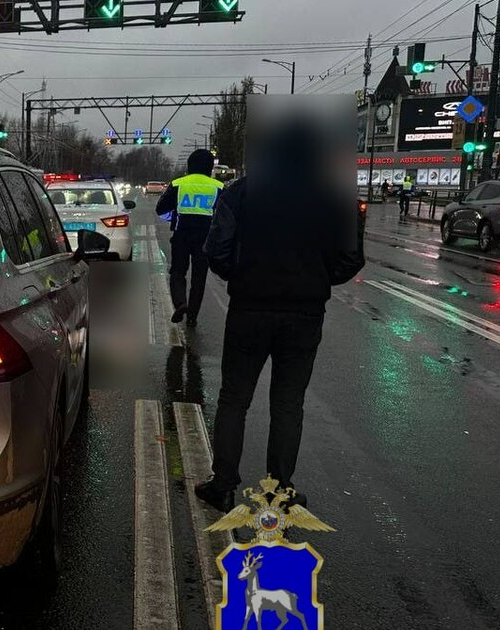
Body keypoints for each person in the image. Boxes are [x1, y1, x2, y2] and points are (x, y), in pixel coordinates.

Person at [194, 116, 365, 513]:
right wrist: (316, 279)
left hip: (249, 310)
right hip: (304, 315)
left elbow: (216, 249)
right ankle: (279, 490)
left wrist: (245, 277)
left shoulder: (241, 192)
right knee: (288, 404)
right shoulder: (334, 198)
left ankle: (222, 484)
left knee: (235, 398)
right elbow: (351, 259)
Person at [156, 149, 224, 327]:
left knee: (178, 272)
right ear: (210, 167)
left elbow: (160, 209)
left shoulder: (178, 183)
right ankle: (192, 316)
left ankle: (180, 303)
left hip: (182, 235)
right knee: (199, 278)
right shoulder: (218, 187)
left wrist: (175, 216)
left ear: (189, 165)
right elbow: (225, 215)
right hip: (206, 238)